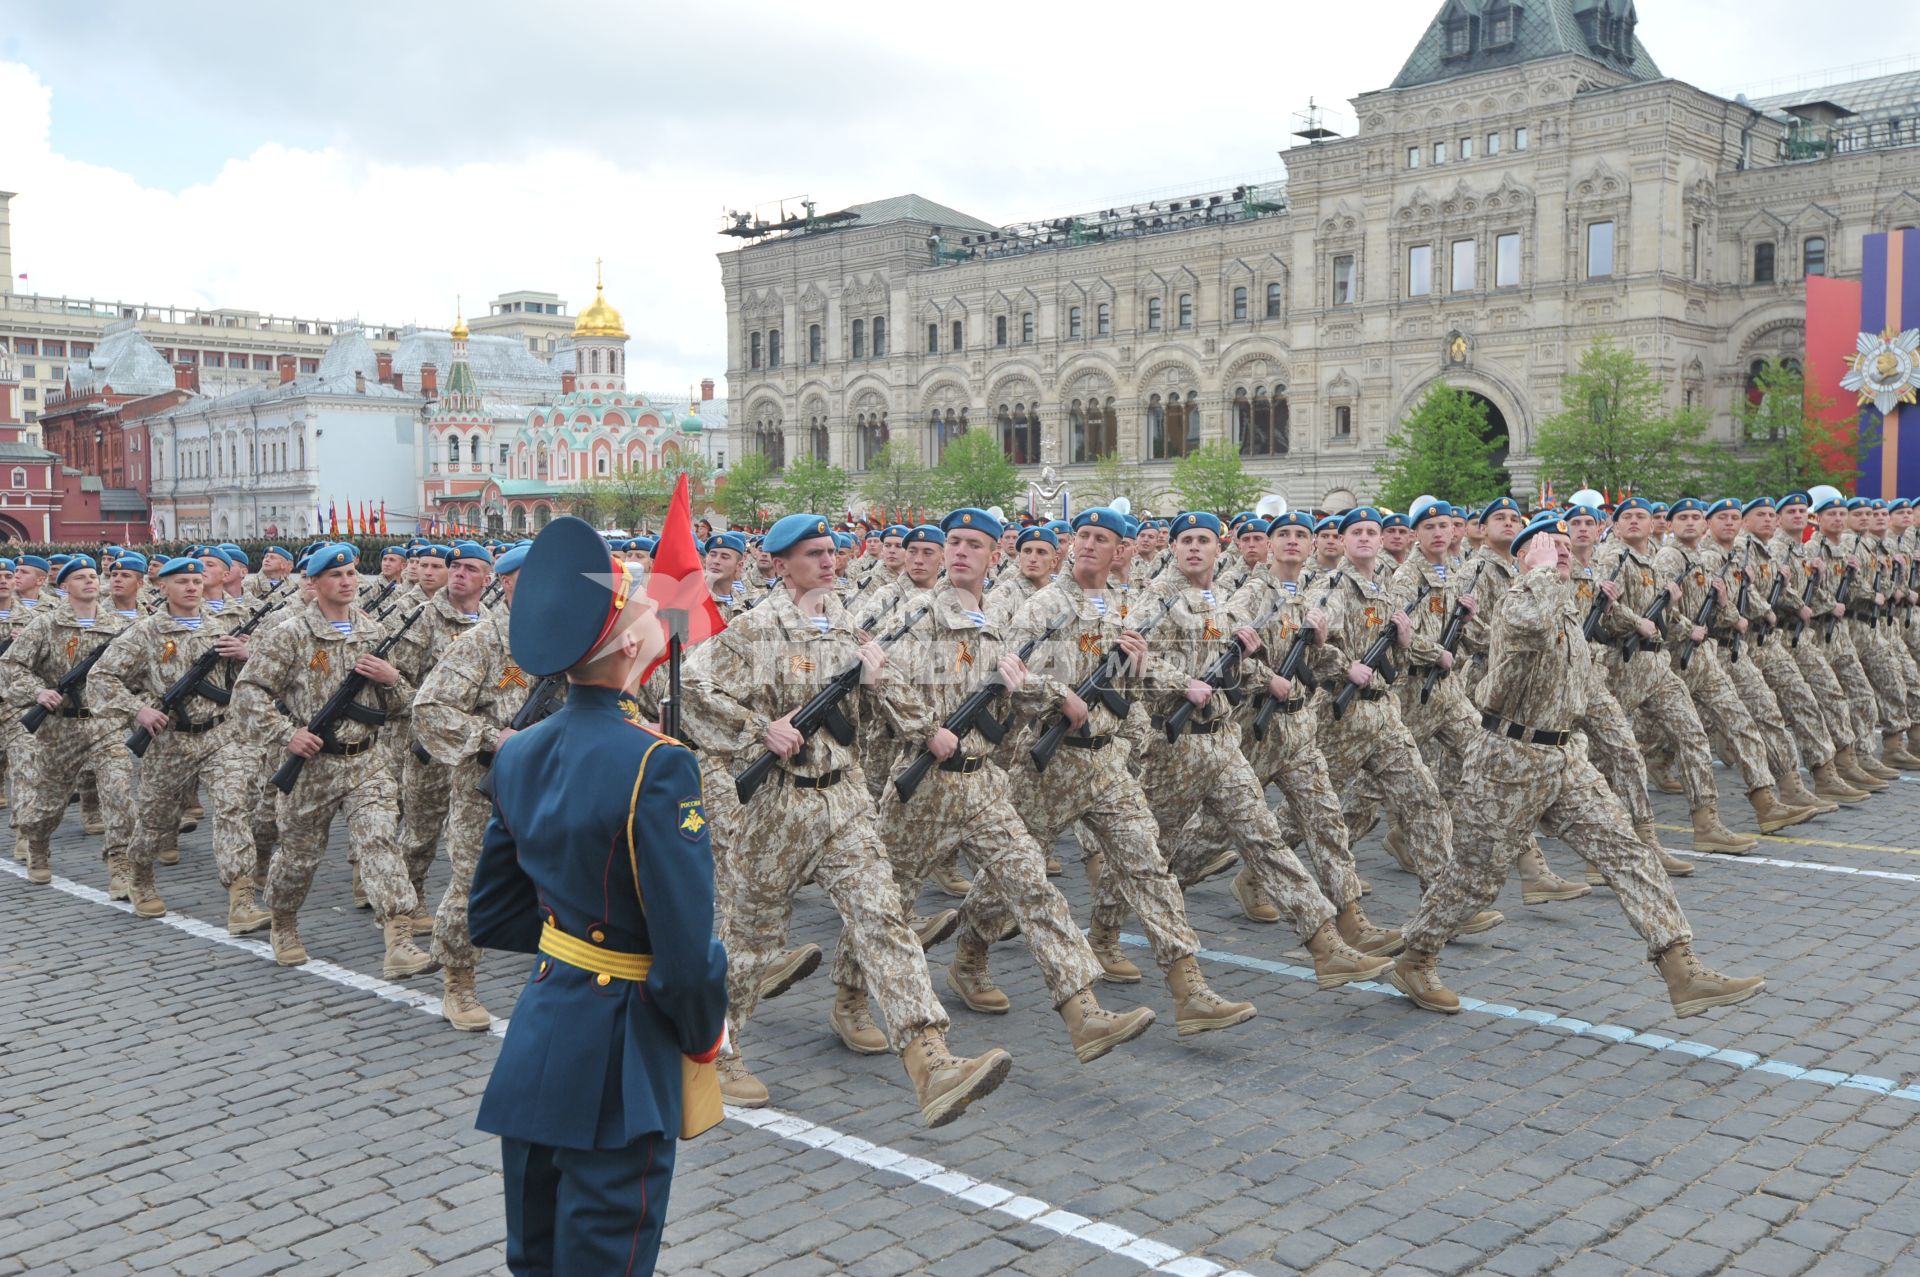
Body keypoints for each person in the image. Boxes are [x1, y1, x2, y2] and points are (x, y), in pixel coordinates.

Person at [470, 516, 728, 1277]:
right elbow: (686, 957)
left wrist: (575, 941)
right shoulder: (659, 764)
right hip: (622, 1050)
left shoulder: (518, 752)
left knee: (539, 1258)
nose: (659, 609)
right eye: (646, 607)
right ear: (624, 646)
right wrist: (702, 1035)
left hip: (544, 1029)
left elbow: (493, 909)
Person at [1391, 515, 1766, 1019]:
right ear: (1522, 560)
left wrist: (1601, 742)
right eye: (1546, 546)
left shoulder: (1563, 606)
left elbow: (1578, 687)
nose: (1560, 552)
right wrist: (1543, 570)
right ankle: (1417, 956)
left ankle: (1682, 969)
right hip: (1509, 761)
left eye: (1565, 545)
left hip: (1565, 758)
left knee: (1627, 853)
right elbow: (1527, 625)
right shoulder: (1518, 601)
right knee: (1475, 878)